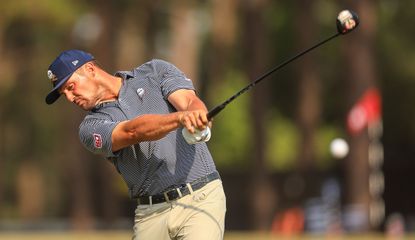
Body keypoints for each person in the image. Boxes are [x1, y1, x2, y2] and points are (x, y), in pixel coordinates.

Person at [45, 49, 226, 240]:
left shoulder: (155, 71)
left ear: (90, 69)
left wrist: (198, 116)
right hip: (150, 214)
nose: (70, 98)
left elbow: (189, 101)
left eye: (70, 87)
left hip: (200, 197)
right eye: (63, 94)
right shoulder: (90, 127)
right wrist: (181, 118)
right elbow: (133, 132)